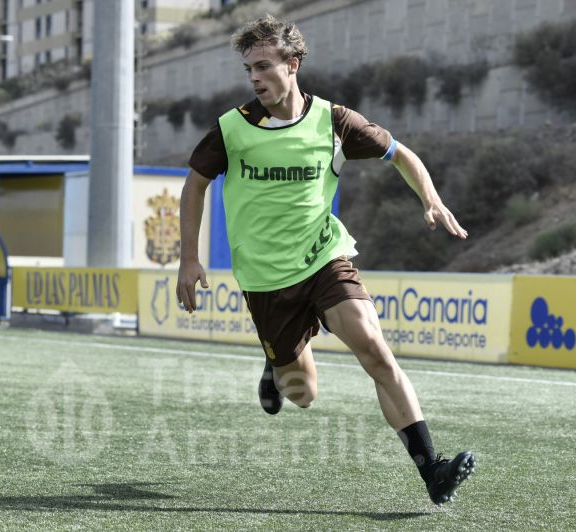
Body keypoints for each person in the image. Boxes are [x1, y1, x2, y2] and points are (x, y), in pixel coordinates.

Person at [175, 14, 475, 506]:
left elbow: (402, 153)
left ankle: (432, 470)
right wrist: (189, 258)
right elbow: (194, 184)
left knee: (375, 350)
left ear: (292, 65)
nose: (254, 77)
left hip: (325, 259)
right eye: (249, 69)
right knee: (304, 395)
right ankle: (276, 366)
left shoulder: (334, 121)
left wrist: (431, 198)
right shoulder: (233, 128)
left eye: (264, 66)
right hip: (267, 280)